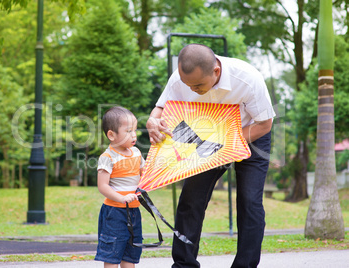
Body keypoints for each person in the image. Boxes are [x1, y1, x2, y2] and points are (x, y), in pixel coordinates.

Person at [146, 44, 275, 268]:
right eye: (188, 85)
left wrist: (227, 145)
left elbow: (265, 124)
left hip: (251, 132)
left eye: (197, 85)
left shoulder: (247, 78)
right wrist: (152, 120)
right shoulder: (180, 79)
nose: (192, 89)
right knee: (191, 198)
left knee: (249, 200)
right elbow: (160, 108)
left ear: (216, 71)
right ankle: (184, 264)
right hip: (204, 136)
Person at [95, 106, 145, 268]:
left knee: (131, 252)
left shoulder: (136, 152)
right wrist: (122, 198)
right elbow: (102, 186)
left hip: (134, 211)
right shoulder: (107, 157)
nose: (134, 135)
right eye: (128, 131)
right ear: (111, 135)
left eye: (135, 130)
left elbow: (144, 176)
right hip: (114, 213)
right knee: (112, 252)